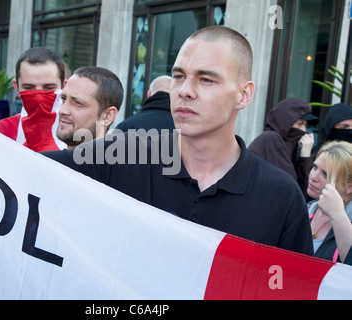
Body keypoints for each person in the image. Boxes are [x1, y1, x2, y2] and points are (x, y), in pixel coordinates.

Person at [43, 26, 314, 255]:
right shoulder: (119, 155)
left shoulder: (282, 198)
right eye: (179, 76)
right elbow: (26, 172)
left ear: (243, 95)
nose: (185, 91)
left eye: (206, 79)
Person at [0, 47, 66, 152]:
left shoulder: (76, 132)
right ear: (16, 86)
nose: (38, 97)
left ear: (64, 86)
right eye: (29, 88)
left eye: (49, 88)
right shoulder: (2, 130)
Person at [248, 98, 318, 199]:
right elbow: (292, 191)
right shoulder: (271, 140)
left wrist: (305, 154)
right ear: (285, 122)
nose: (304, 130)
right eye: (300, 124)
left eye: (305, 125)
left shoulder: (287, 146)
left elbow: (302, 194)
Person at [307, 141, 352, 264]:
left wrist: (337, 214)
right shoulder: (305, 210)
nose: (313, 177)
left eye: (325, 174)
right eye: (315, 167)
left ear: (348, 187)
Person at [56, 66, 122, 149]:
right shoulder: (45, 160)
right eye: (63, 99)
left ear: (108, 116)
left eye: (78, 103)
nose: (62, 110)